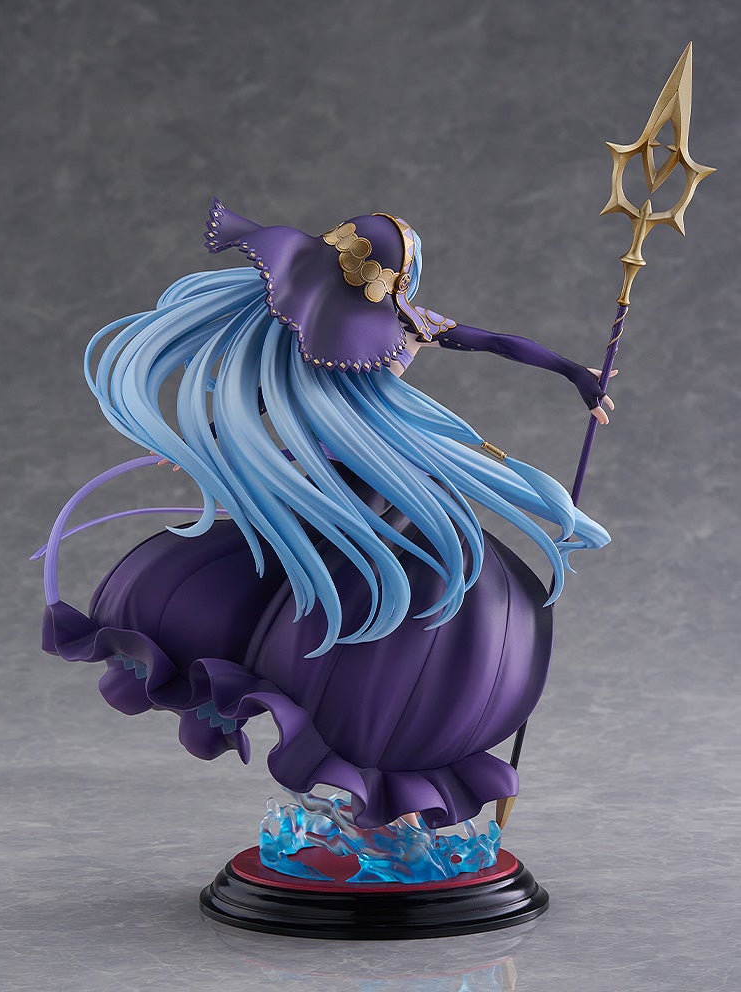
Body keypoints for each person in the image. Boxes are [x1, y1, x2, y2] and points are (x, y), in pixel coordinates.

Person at [41, 202, 611, 829]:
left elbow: (494, 342)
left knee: (403, 597)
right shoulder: (331, 324)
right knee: (301, 582)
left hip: (382, 480)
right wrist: (212, 435)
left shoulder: (408, 322)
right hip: (330, 480)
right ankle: (342, 727)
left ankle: (377, 751)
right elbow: (270, 389)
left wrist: (575, 372)